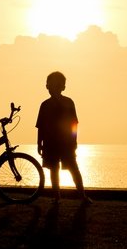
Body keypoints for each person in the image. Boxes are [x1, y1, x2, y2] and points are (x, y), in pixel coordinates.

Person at [36, 71, 92, 204]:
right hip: (51, 142)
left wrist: (74, 140)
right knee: (54, 169)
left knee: (72, 168)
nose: (51, 88)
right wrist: (39, 143)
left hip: (66, 142)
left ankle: (81, 195)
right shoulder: (45, 105)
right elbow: (41, 126)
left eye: (54, 85)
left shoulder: (68, 102)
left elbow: (74, 124)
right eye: (49, 85)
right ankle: (57, 196)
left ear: (62, 87)